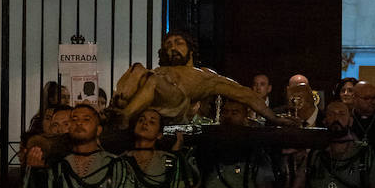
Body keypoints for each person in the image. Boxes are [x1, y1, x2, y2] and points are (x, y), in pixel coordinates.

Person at [110, 30, 285, 126]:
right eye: (168, 45)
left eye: (179, 43)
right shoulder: (159, 70)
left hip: (177, 103)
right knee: (138, 68)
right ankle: (115, 108)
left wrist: (274, 118)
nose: (173, 48)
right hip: (154, 104)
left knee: (152, 79)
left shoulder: (203, 75)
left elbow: (244, 94)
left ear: (191, 49)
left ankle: (124, 116)